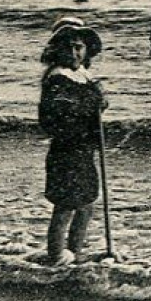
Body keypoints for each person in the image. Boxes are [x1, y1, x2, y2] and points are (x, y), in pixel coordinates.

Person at [38, 18, 107, 266]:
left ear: (88, 49)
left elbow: (90, 105)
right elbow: (54, 113)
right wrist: (92, 102)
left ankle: (75, 252)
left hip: (83, 148)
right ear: (56, 50)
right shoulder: (57, 77)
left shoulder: (83, 75)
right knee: (66, 204)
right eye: (67, 47)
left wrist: (100, 101)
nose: (74, 52)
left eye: (79, 47)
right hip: (66, 149)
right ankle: (57, 255)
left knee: (86, 202)